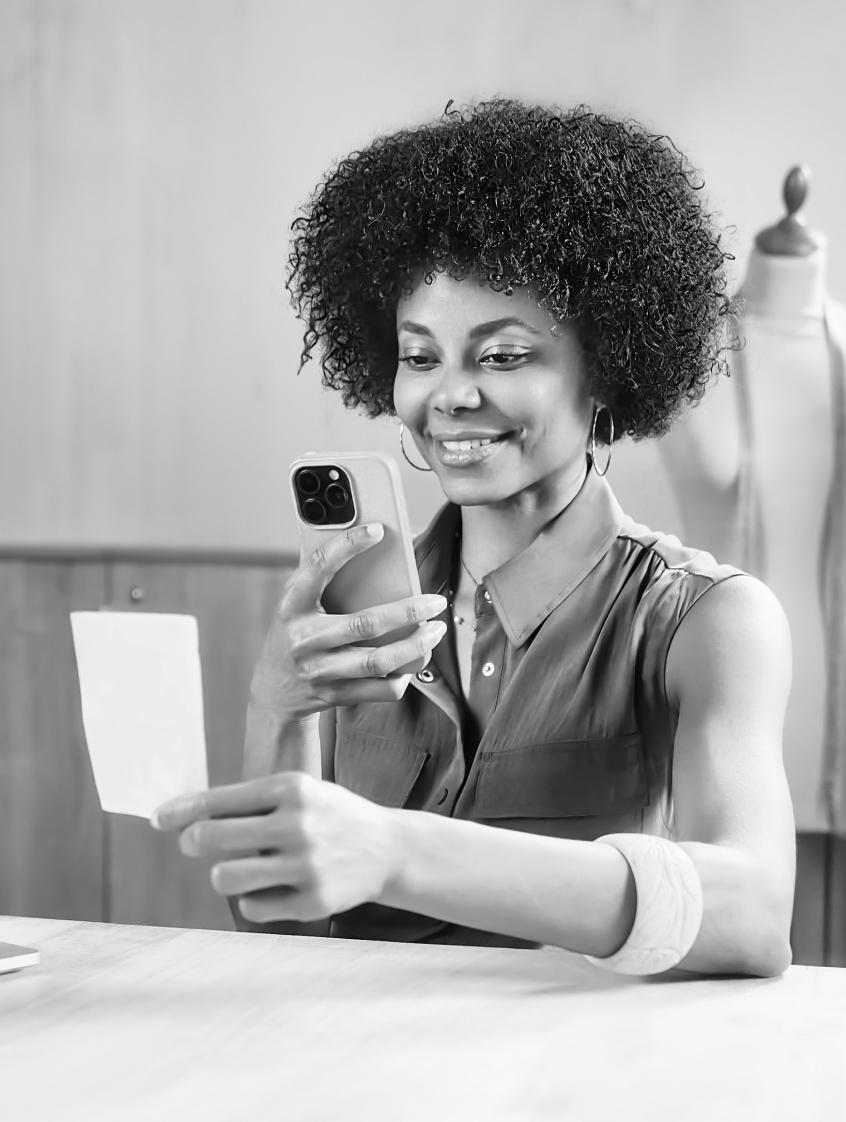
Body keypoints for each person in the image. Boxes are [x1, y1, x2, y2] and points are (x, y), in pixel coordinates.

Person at [153, 99, 795, 976]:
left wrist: (395, 851)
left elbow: (755, 919)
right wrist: (276, 709)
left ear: (605, 368)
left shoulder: (705, 619)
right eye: (421, 356)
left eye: (501, 356)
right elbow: (282, 937)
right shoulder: (360, 600)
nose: (448, 397)